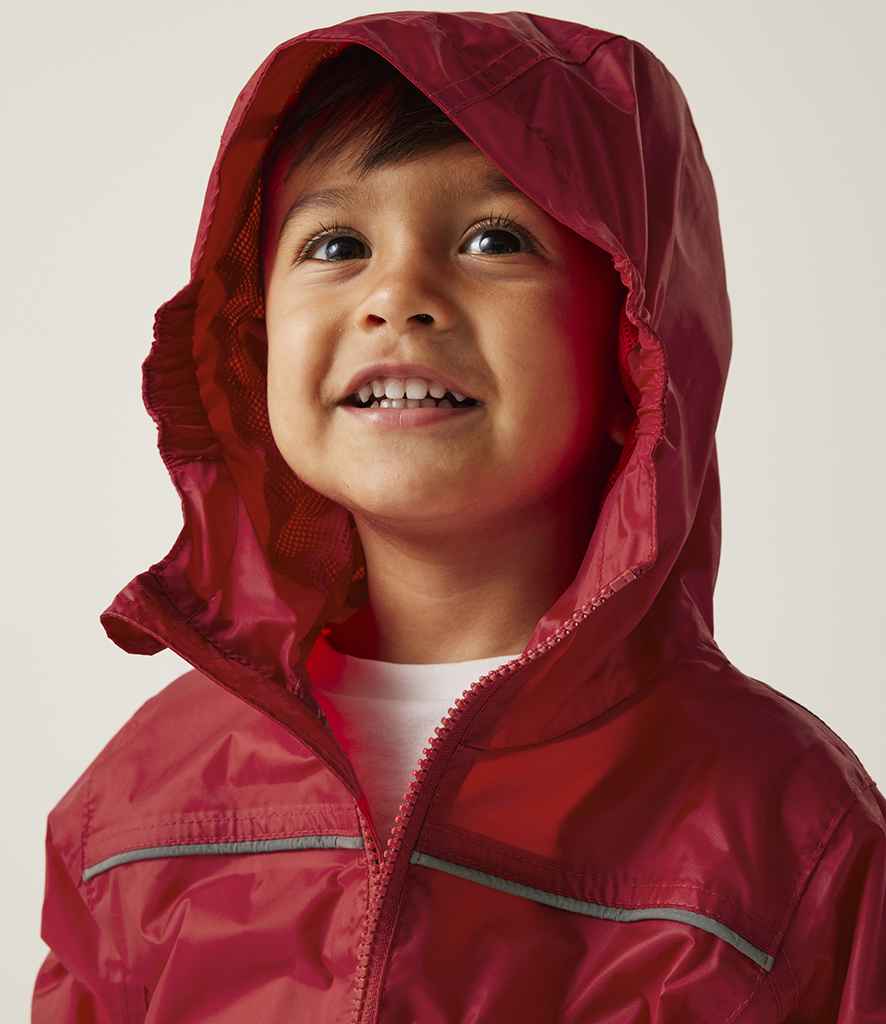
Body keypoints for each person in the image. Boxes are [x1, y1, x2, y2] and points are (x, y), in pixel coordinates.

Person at [32, 12, 885, 1023]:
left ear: (634, 344)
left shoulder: (787, 831)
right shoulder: (131, 811)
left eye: (494, 239)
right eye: (336, 244)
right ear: (252, 340)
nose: (398, 296)